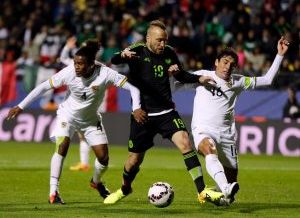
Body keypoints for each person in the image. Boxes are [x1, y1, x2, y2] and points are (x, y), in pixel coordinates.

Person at [6, 39, 147, 204]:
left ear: (92, 65)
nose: (77, 67)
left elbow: (133, 88)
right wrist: (21, 106)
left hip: (90, 119)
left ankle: (96, 181)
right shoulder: (69, 72)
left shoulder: (106, 74)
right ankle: (53, 192)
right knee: (62, 146)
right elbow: (43, 87)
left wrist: (136, 108)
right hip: (67, 116)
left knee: (103, 159)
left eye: (80, 64)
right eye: (75, 63)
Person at [103, 20, 224, 205]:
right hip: (142, 115)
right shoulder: (138, 50)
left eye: (165, 40)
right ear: (148, 38)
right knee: (134, 161)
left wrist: (198, 78)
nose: (163, 44)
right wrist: (122, 54)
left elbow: (181, 75)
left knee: (185, 143)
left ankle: (202, 191)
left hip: (166, 111)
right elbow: (114, 60)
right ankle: (124, 189)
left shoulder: (169, 53)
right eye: (159, 40)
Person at [175, 36, 290, 205]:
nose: (227, 67)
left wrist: (280, 55)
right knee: (209, 149)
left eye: (232, 64)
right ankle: (224, 188)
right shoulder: (201, 76)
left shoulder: (239, 81)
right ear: (216, 62)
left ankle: (217, 194)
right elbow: (178, 81)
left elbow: (267, 80)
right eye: (225, 62)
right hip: (203, 129)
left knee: (230, 188)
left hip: (227, 135)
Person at [60, 37, 92, 171]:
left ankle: (85, 164)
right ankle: (84, 163)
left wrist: (67, 47)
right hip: (82, 103)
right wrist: (67, 46)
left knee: (82, 135)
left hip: (83, 104)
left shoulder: (92, 66)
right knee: (82, 136)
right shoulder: (83, 65)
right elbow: (63, 59)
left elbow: (63, 58)